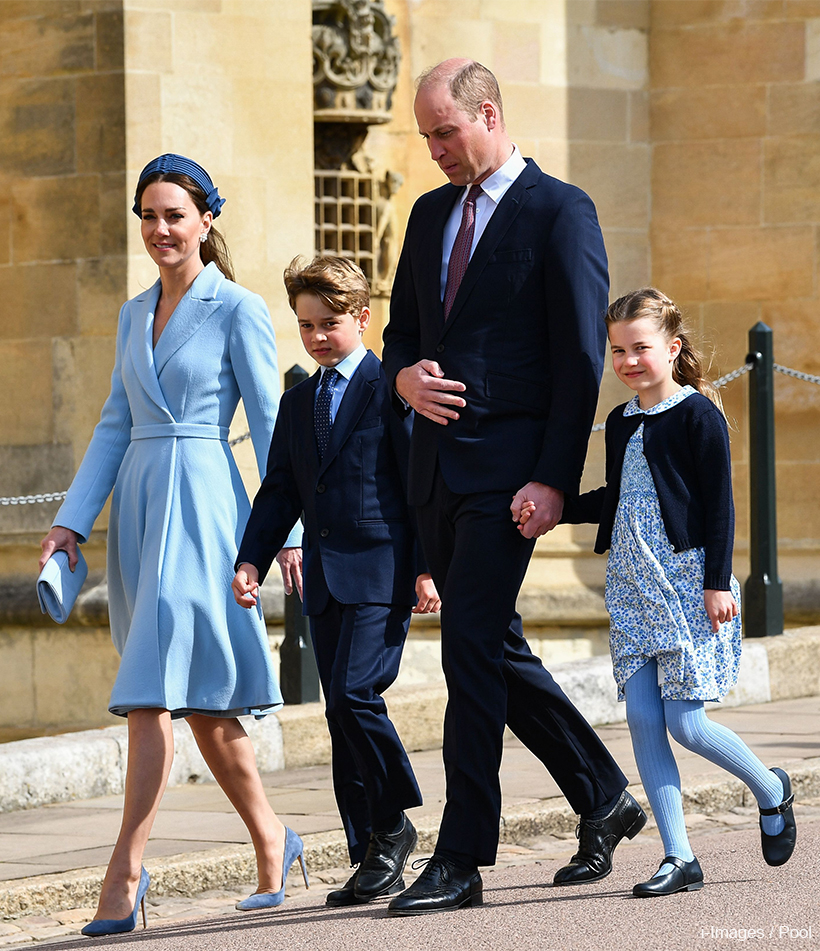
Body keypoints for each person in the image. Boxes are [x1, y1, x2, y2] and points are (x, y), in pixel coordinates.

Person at [381, 59, 645, 916]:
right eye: (424, 136)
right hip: (434, 474)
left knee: (467, 654)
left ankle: (461, 856)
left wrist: (554, 482)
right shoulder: (425, 217)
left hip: (509, 483)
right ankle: (602, 792)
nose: (433, 152)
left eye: (444, 133)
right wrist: (403, 381)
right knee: (491, 644)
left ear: (487, 114)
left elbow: (577, 361)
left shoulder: (561, 211)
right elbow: (400, 337)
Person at [38, 154, 307, 935]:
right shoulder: (131, 315)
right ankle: (272, 837)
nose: (159, 230)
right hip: (141, 508)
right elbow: (113, 424)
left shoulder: (238, 308)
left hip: (207, 508)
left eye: (174, 216)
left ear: (206, 221)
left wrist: (283, 532)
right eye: (148, 216)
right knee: (196, 701)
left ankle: (123, 870)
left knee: (156, 687)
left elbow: (269, 426)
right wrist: (70, 520)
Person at [539, 287, 796, 896]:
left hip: (686, 584)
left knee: (686, 722)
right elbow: (621, 498)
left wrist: (715, 582)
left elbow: (719, 505)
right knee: (644, 722)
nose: (628, 360)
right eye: (618, 350)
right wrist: (557, 508)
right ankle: (679, 856)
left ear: (672, 347)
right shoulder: (623, 420)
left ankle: (770, 788)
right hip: (631, 584)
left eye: (641, 348)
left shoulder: (699, 413)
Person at [232, 255, 440, 907]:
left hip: (383, 571)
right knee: (338, 713)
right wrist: (251, 559)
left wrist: (429, 566)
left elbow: (419, 487)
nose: (318, 336)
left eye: (329, 323)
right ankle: (371, 849)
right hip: (322, 581)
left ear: (362, 317)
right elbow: (281, 490)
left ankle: (397, 822)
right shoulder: (297, 403)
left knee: (354, 696)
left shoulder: (391, 389)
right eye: (305, 325)